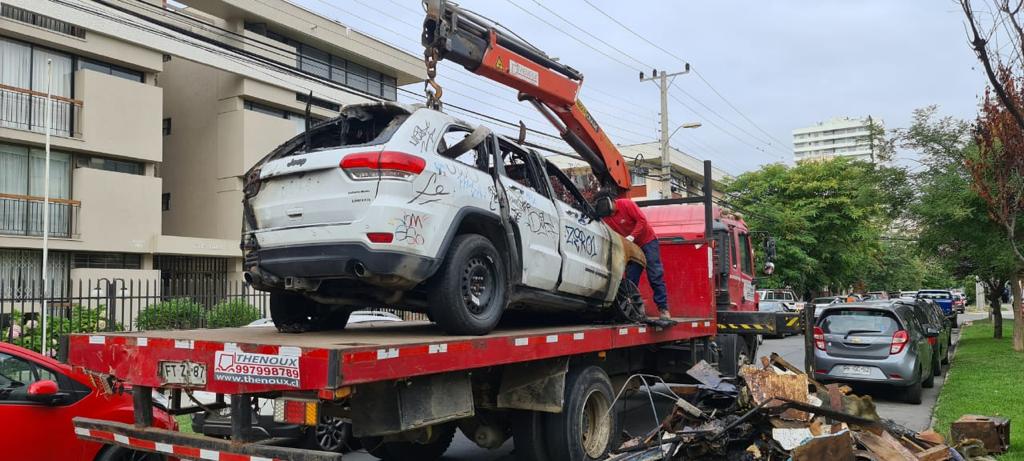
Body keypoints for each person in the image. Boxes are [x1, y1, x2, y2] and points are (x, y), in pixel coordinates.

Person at [601, 195, 671, 321]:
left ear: (611, 201)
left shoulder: (626, 205)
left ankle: (663, 309)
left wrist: (632, 236)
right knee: (630, 280)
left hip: (647, 241)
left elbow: (642, 221)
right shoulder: (605, 217)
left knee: (655, 275)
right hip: (631, 247)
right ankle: (633, 311)